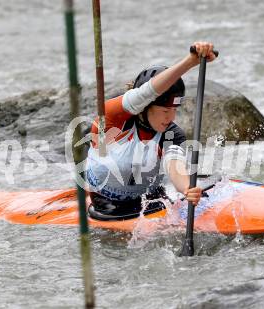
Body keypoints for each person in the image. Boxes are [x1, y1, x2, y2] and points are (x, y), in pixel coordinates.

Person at [86, 42, 217, 219]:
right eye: (165, 111)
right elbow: (146, 93)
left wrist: (187, 188)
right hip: (105, 207)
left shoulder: (172, 133)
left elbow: (174, 165)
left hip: (151, 203)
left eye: (174, 110)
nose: (171, 117)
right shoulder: (111, 120)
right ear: (144, 107)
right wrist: (190, 62)